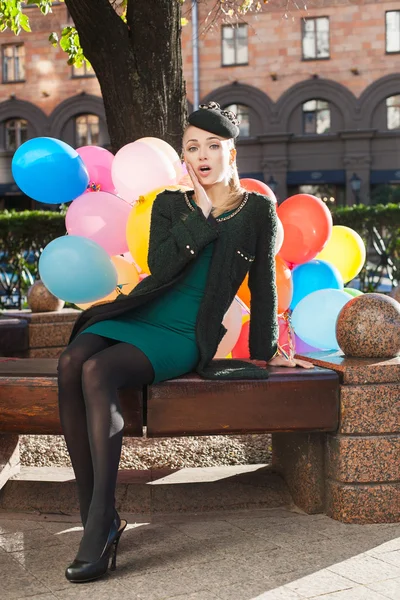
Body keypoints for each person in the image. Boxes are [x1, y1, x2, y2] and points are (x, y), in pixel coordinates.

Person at [57, 101, 314, 584]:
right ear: (184, 155)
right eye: (193, 146)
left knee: (98, 371)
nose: (202, 155)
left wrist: (270, 349)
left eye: (213, 146)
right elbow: (161, 265)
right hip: (144, 311)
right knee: (72, 359)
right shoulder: (170, 204)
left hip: (184, 333)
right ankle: (99, 515)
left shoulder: (258, 211)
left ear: (231, 152)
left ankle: (97, 527)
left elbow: (263, 285)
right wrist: (199, 209)